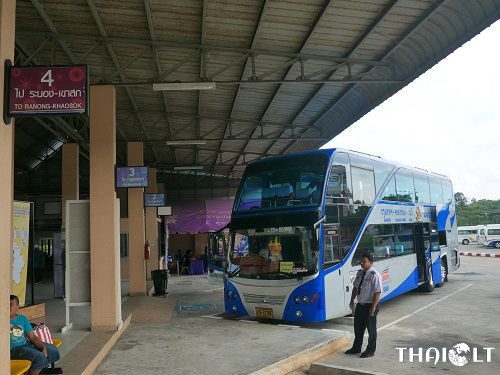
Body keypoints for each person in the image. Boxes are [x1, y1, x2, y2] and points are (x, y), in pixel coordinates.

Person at [10, 295, 61, 374]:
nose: (7, 307)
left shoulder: (22, 319)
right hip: (14, 349)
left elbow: (33, 337)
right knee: (39, 357)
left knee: (52, 349)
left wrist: (43, 347)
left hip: (26, 344)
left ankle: (42, 370)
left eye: (11, 305)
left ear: (18, 307)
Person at [345, 253, 382, 358]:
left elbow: (377, 292)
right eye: (361, 261)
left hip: (370, 306)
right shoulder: (360, 273)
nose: (361, 263)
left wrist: (373, 307)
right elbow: (355, 287)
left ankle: (370, 350)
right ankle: (356, 348)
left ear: (371, 262)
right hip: (360, 305)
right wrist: (352, 300)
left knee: (371, 329)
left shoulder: (375, 275)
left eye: (364, 261)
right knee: (358, 328)